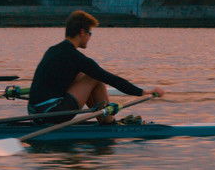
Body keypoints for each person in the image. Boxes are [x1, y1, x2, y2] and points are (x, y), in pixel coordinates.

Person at [28, 10, 165, 124]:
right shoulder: (75, 57)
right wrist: (142, 92)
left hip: (35, 113)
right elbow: (109, 78)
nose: (90, 37)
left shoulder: (52, 50)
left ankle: (105, 119)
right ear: (82, 32)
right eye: (90, 33)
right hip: (51, 113)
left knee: (81, 75)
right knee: (94, 77)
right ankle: (108, 122)